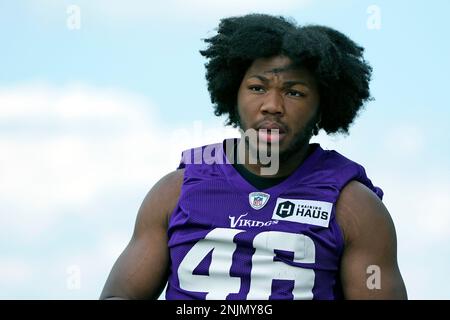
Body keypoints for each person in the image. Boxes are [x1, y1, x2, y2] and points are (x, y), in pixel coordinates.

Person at [100, 13, 407, 300]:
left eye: (295, 92)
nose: (272, 105)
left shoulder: (355, 207)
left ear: (322, 108)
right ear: (233, 95)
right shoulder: (175, 191)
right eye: (257, 87)